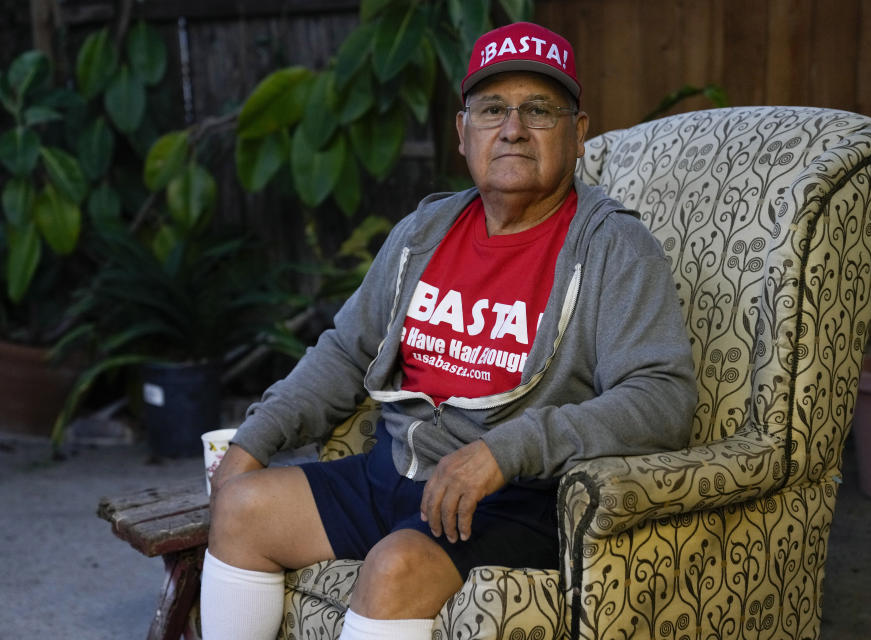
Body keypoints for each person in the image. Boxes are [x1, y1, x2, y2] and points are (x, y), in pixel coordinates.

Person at [200, 21, 696, 640]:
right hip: (394, 474)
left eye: (539, 109)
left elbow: (663, 397)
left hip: (512, 498)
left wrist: (505, 450)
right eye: (492, 109)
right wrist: (251, 443)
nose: (513, 127)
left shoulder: (615, 247)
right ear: (464, 133)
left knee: (395, 567)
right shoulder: (424, 230)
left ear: (578, 134)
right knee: (242, 508)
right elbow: (346, 350)